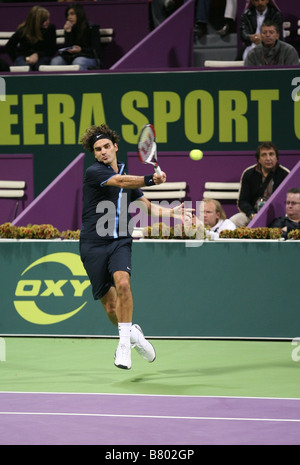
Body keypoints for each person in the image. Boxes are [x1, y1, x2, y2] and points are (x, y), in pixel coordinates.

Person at [79, 123, 193, 370]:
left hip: (120, 240)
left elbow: (147, 206)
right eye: (98, 149)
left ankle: (123, 346)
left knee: (122, 282)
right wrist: (152, 178)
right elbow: (120, 181)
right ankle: (134, 336)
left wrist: (173, 214)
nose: (103, 151)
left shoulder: (124, 175)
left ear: (115, 146)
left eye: (107, 146)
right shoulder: (95, 172)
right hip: (93, 245)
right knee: (110, 307)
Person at [230, 142, 290, 228]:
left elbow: (289, 201)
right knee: (232, 222)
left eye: (271, 154)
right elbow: (242, 201)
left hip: (277, 216)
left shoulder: (285, 174)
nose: (268, 158)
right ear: (258, 159)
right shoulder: (249, 173)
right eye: (264, 155)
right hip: (253, 215)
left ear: (276, 157)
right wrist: (252, 214)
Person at [50, 3, 102, 70]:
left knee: (78, 61)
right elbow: (68, 47)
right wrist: (68, 32)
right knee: (55, 61)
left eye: (72, 14)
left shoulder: (91, 27)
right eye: (68, 15)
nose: (69, 17)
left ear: (79, 14)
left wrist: (81, 50)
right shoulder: (70, 28)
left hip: (90, 57)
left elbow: (96, 50)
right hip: (72, 57)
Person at [4, 5, 56, 71]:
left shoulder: (50, 29)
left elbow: (52, 50)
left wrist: (37, 55)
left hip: (42, 57)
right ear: (37, 21)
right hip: (24, 57)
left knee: (40, 66)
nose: (48, 21)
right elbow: (9, 47)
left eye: (48, 18)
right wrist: (17, 59)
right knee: (25, 68)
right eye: (44, 20)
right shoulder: (23, 31)